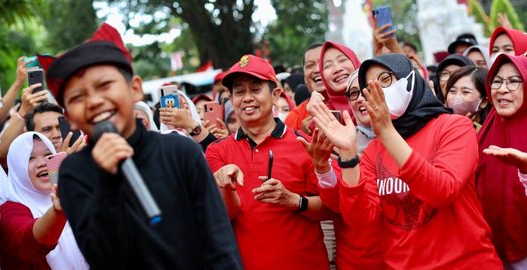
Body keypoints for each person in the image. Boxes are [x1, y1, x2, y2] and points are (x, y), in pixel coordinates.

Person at [44, 23, 242, 269]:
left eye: (104, 85)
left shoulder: (180, 152)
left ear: (135, 88)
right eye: (77, 97)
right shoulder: (74, 172)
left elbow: (219, 242)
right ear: (69, 117)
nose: (94, 101)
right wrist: (107, 180)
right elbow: (102, 256)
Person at [310, 53, 501, 269]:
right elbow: (362, 219)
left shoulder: (453, 126)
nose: (378, 91)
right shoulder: (375, 150)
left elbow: (442, 191)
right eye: (369, 87)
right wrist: (348, 155)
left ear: (410, 80)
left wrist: (386, 132)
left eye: (385, 80)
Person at [206, 54, 331, 269]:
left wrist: (293, 200)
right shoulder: (217, 151)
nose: (247, 98)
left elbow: (330, 208)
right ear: (230, 97)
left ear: (275, 95)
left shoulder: (305, 144)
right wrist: (226, 186)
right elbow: (222, 216)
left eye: (255, 89)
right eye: (239, 91)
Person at [309, 70, 385, 269]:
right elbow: (336, 204)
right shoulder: (339, 141)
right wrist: (322, 167)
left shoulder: (412, 136)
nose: (361, 98)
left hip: (409, 256)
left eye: (368, 90)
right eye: (353, 93)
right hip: (360, 259)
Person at [0, 132, 88, 269]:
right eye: (30, 158)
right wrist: (58, 210)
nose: (42, 163)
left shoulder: (75, 196)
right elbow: (29, 244)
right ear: (16, 167)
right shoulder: (7, 213)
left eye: (48, 155)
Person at [476, 53, 527, 268]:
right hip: (489, 250)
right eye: (496, 81)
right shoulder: (484, 132)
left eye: (514, 81)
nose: (502, 89)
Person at [284, 42, 325, 134]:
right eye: (310, 65)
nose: (317, 69)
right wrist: (303, 136)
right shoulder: (295, 117)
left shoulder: (356, 104)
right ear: (305, 78)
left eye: (323, 63)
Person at [445, 66, 490, 131]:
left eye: (465, 92)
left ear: (483, 102)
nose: (456, 98)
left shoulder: (489, 132)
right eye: (452, 91)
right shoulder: (440, 125)